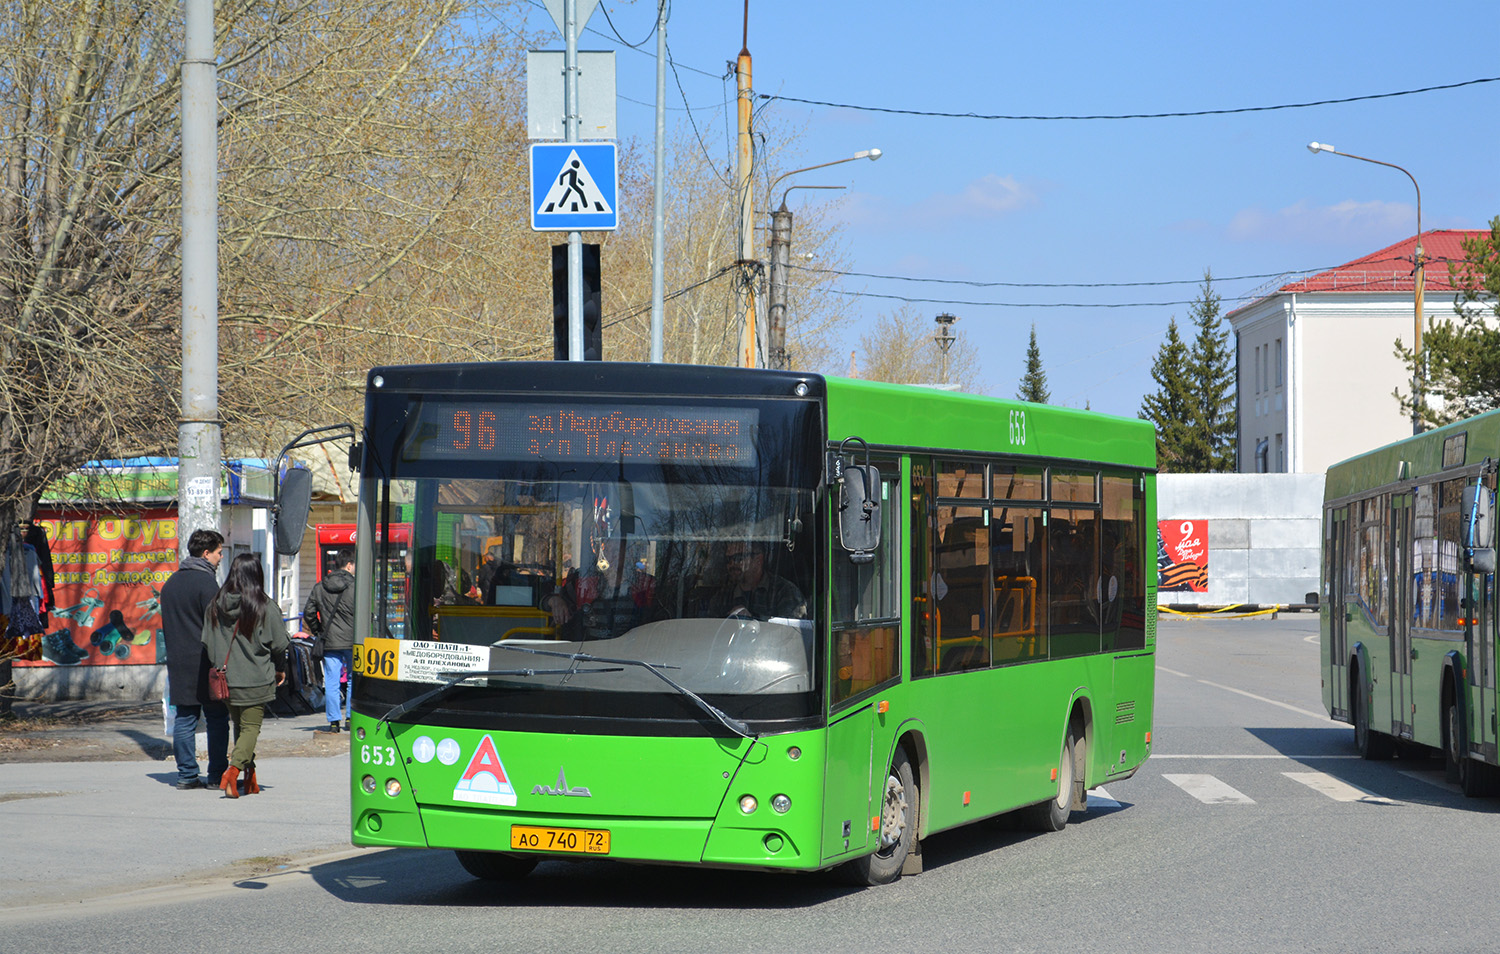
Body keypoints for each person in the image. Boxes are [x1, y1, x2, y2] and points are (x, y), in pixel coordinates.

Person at [201, 553, 289, 799]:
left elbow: (207, 642)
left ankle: (250, 778)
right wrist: (279, 668)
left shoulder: (215, 604)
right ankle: (232, 772)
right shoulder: (264, 606)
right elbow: (280, 644)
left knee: (240, 726)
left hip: (226, 680)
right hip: (255, 678)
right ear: (256, 575)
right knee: (250, 728)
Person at [159, 528, 228, 789]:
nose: (221, 558)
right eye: (219, 553)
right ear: (206, 553)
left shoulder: (170, 584)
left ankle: (187, 775)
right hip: (205, 661)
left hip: (178, 662)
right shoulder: (207, 583)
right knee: (217, 719)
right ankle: (216, 775)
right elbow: (217, 625)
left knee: (185, 719)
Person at [543, 541, 661, 640]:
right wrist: (554, 601)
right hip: (589, 657)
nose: (611, 556)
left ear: (629, 554)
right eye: (608, 551)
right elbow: (542, 598)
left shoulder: (646, 586)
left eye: (617, 550)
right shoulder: (584, 583)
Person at [303, 547, 355, 734]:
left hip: (330, 642)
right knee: (352, 680)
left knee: (332, 682)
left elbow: (308, 612)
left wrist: (319, 630)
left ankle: (334, 721)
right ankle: (350, 718)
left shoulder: (320, 586)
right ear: (349, 565)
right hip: (352, 642)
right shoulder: (356, 586)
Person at [705, 541, 807, 620]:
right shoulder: (722, 597)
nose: (732, 564)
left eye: (738, 558)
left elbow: (791, 635)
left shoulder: (785, 592)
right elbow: (710, 633)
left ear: (758, 560)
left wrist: (752, 621)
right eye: (728, 560)